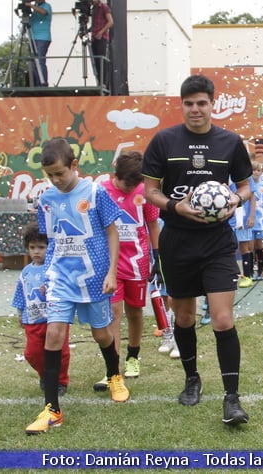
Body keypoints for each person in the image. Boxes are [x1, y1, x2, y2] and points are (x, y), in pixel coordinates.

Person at [142, 74, 251, 425]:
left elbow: (247, 186)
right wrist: (176, 208)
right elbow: (151, 192)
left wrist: (234, 198)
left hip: (218, 242)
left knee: (222, 319)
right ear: (182, 105)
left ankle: (232, 398)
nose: (195, 109)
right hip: (178, 240)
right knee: (185, 317)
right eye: (188, 103)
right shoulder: (164, 141)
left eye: (201, 103)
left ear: (211, 103)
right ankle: (192, 379)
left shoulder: (230, 142)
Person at [25, 138, 128, 435]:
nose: (56, 180)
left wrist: (111, 273)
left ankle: (113, 375)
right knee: (54, 333)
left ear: (73, 166)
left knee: (101, 334)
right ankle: (52, 409)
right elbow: (51, 241)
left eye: (60, 173)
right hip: (60, 277)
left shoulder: (96, 192)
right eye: (50, 176)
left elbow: (112, 233)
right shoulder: (46, 199)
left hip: (94, 277)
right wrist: (46, 275)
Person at [98, 151, 160, 384]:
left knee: (134, 312)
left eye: (135, 183)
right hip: (110, 264)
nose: (130, 188)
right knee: (113, 313)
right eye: (127, 183)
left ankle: (133, 356)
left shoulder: (144, 192)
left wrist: (157, 256)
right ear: (116, 174)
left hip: (137, 262)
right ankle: (112, 369)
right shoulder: (101, 191)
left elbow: (153, 225)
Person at [12, 223, 69, 397]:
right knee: (32, 353)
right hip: (33, 320)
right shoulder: (26, 272)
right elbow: (20, 293)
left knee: (61, 352)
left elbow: (66, 287)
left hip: (55, 318)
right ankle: (45, 374)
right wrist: (20, 313)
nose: (36, 251)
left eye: (41, 247)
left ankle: (60, 381)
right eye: (32, 247)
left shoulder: (56, 269)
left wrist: (51, 285)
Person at [24, 0, 51, 87]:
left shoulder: (46, 6)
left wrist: (30, 6)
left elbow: (44, 12)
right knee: (33, 63)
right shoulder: (35, 7)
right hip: (33, 37)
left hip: (42, 38)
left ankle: (43, 83)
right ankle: (35, 83)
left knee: (40, 61)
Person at [90, 0, 114, 89]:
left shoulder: (104, 7)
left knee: (101, 60)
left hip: (102, 37)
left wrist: (101, 32)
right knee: (95, 61)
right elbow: (94, 25)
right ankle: (99, 81)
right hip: (94, 37)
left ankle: (103, 83)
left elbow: (110, 22)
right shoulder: (94, 8)